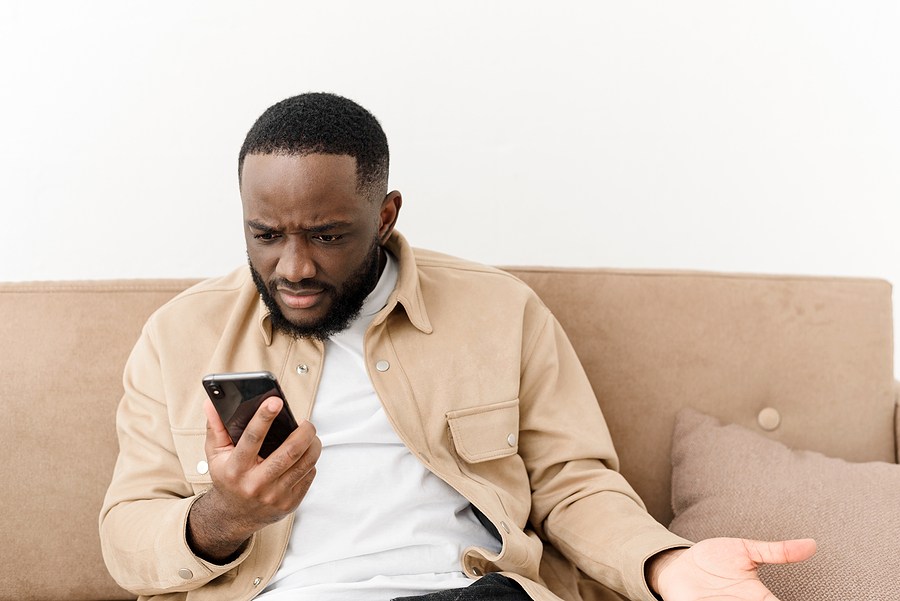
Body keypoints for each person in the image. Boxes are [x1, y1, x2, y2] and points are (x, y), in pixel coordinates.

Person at [99, 93, 815, 601]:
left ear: (384, 216)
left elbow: (573, 485)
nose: (293, 266)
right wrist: (226, 515)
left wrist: (666, 565)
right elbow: (127, 536)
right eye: (265, 235)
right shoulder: (177, 335)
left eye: (326, 235)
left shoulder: (500, 311)